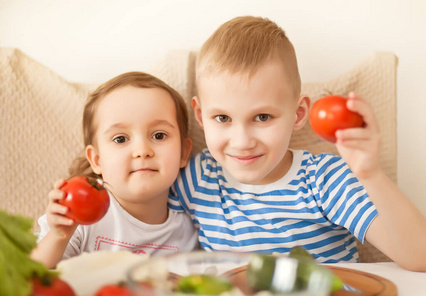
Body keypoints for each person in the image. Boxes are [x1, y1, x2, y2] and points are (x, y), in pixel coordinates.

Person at [169, 16, 426, 271]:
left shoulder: (324, 180)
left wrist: (371, 174)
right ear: (201, 116)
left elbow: (420, 257)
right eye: (222, 118)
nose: (242, 142)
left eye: (262, 117)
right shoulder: (197, 177)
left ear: (299, 114)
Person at [31, 72, 199, 269]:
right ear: (97, 160)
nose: (142, 151)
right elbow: (31, 273)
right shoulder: (81, 213)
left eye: (159, 135)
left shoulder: (194, 224)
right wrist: (59, 235)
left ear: (183, 153)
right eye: (120, 139)